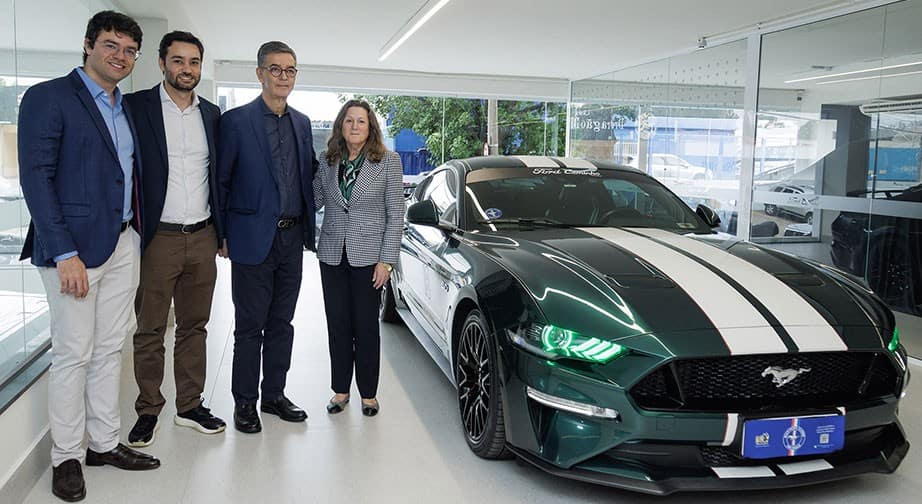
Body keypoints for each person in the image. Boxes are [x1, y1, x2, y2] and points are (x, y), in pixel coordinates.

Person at [17, 10, 160, 502]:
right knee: (73, 353)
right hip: (73, 252)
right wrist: (64, 252)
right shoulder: (49, 97)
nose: (120, 56)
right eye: (110, 45)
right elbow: (36, 177)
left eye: (129, 50)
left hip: (123, 242)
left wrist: (136, 233)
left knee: (109, 348)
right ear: (87, 45)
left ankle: (103, 443)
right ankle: (66, 457)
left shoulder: (125, 107)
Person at [124, 31, 225, 448]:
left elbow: (219, 177)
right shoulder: (135, 107)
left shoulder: (213, 115)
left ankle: (189, 405)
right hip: (157, 238)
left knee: (194, 327)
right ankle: (148, 409)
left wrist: (222, 233)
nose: (187, 69)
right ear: (162, 63)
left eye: (194, 61)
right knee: (150, 328)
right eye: (178, 60)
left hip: (202, 236)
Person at [217, 41, 319, 433]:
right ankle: (244, 402)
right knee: (249, 326)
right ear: (260, 73)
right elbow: (221, 182)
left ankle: (274, 395)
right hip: (250, 239)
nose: (283, 77)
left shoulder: (302, 123)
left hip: (292, 240)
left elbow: (309, 174)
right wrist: (222, 234)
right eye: (275, 69)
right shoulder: (236, 122)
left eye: (290, 70)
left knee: (282, 323)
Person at [314, 100, 404, 417]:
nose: (354, 126)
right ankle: (340, 390)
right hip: (332, 254)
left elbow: (396, 213)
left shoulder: (388, 161)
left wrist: (387, 261)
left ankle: (368, 394)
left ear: (370, 127)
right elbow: (314, 199)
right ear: (341, 125)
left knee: (365, 327)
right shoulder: (327, 160)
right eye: (349, 120)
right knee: (337, 325)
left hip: (369, 258)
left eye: (361, 121)